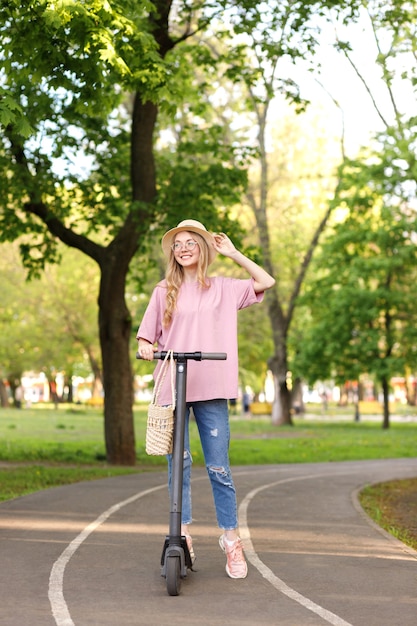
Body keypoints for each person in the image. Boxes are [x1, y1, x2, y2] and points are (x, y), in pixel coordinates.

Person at [136, 219, 275, 579]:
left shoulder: (224, 288)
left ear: (203, 249)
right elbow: (145, 339)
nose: (182, 248)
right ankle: (181, 534)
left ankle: (230, 539)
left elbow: (266, 282)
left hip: (212, 386)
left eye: (190, 243)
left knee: (218, 468)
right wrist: (147, 348)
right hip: (173, 387)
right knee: (177, 465)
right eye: (177, 244)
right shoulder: (162, 290)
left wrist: (233, 253)